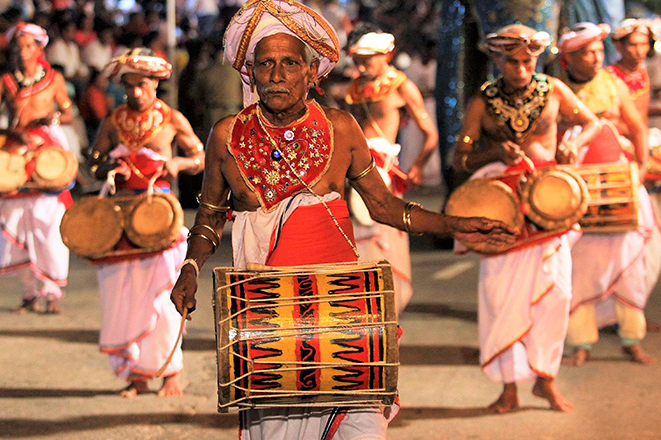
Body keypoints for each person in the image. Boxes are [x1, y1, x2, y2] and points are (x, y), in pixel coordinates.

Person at [170, 1, 516, 438]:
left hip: (344, 310)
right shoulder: (226, 136)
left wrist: (458, 224)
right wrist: (189, 267)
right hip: (269, 321)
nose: (277, 74)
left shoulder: (341, 128)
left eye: (290, 63)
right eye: (266, 64)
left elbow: (386, 208)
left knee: (362, 427)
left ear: (311, 72)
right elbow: (209, 218)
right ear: (250, 73)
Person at [452, 24, 603, 413]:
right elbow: (461, 158)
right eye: (512, 61)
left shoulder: (553, 90)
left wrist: (573, 142)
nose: (521, 68)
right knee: (501, 297)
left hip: (551, 201)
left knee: (556, 295)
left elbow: (591, 122)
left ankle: (545, 380)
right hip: (502, 207)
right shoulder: (482, 102)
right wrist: (492, 155)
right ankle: (508, 388)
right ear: (497, 60)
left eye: (527, 60)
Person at [87, 47, 205, 398]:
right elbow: (94, 162)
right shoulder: (113, 120)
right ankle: (137, 375)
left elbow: (198, 156)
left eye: (141, 85)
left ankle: (171, 373)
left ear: (155, 83)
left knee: (163, 296)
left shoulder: (172, 119)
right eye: (129, 86)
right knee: (125, 295)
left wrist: (179, 166)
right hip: (121, 217)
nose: (135, 92)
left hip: (161, 218)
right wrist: (107, 167)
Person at [558, 22, 656, 366]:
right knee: (580, 266)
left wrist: (640, 170)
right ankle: (582, 343)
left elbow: (638, 128)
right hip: (576, 187)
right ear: (568, 59)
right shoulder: (556, 90)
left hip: (619, 182)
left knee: (629, 265)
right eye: (587, 52)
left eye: (599, 50)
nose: (596, 57)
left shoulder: (613, 84)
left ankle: (632, 339)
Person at [0, 22, 74, 314]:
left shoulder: (55, 78)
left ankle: (52, 292)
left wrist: (54, 118)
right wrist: (12, 133)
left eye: (28, 46)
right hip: (16, 153)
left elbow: (69, 113)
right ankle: (29, 293)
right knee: (16, 221)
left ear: (39, 48)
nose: (22, 52)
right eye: (17, 47)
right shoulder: (5, 81)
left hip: (47, 154)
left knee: (49, 224)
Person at [345, 25, 439, 315]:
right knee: (359, 235)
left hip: (384, 170)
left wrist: (418, 167)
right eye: (357, 59)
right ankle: (362, 304)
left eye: (368, 59)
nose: (361, 65)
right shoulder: (355, 88)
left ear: (386, 55)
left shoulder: (401, 86)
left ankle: (388, 304)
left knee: (383, 233)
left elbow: (429, 133)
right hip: (356, 170)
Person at [607, 19, 661, 333]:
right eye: (632, 44)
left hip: (642, 158)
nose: (639, 50)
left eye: (643, 44)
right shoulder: (607, 78)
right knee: (622, 242)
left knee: (649, 244)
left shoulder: (641, 74)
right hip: (621, 160)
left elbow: (640, 121)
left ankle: (633, 312)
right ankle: (613, 315)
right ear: (618, 46)